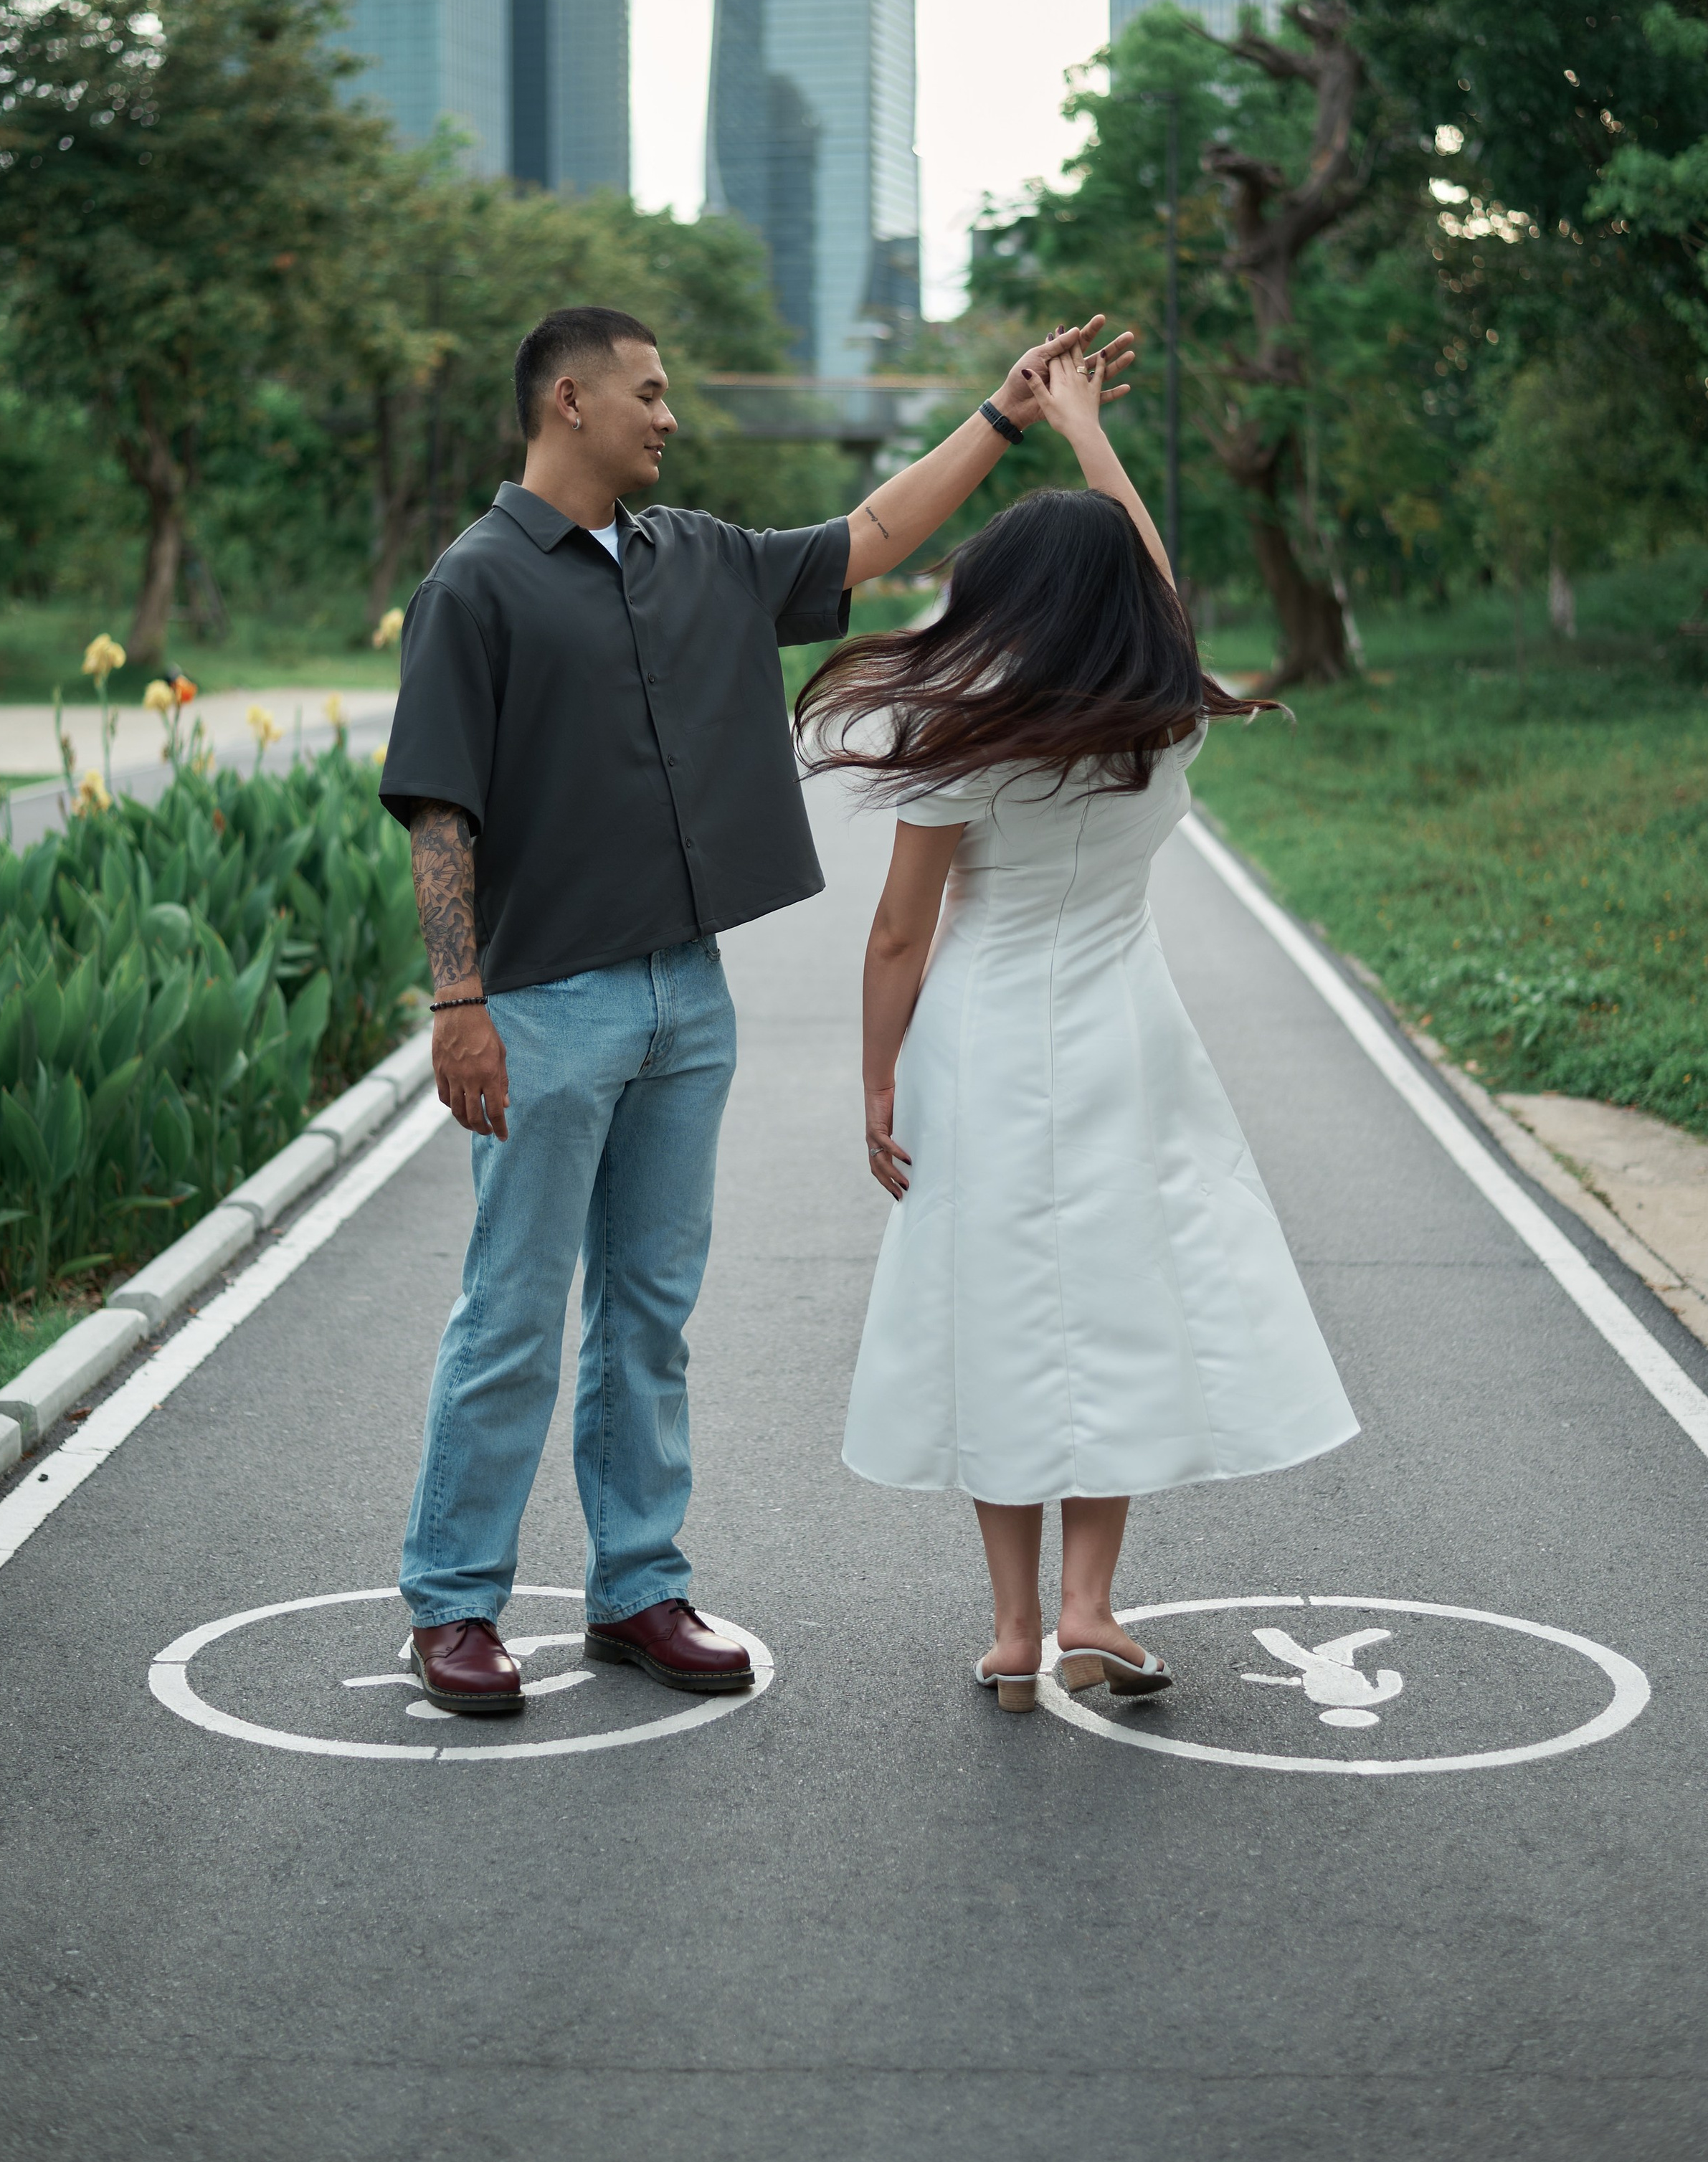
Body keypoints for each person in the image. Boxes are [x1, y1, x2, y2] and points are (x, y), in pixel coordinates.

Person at [379, 301, 1134, 1716]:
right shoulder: (474, 584)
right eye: (647, 393)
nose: (668, 415)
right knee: (513, 1310)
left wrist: (1003, 414)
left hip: (686, 994)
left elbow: (870, 537)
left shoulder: (700, 557)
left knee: (651, 1312)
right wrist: (457, 996)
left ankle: (637, 1588)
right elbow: (437, 803)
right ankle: (453, 1601)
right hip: (541, 1005)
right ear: (565, 401)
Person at [797, 336, 1359, 1714]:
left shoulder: (963, 726)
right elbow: (1152, 582)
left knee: (997, 1306)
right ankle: (1091, 1608)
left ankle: (1007, 1630)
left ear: (996, 595)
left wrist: (877, 1082)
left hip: (980, 1044)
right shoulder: (1162, 714)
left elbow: (897, 934)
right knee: (1112, 1302)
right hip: (1128, 1033)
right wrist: (1093, 438)